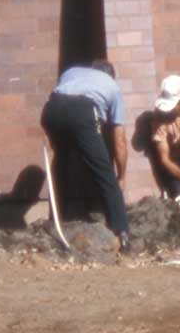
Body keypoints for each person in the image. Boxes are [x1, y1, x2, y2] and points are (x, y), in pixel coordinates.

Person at [40, 60, 130, 251]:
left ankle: (57, 220)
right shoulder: (112, 87)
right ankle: (121, 233)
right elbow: (119, 139)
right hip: (82, 111)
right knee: (105, 174)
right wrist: (120, 176)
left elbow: (64, 101)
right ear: (111, 75)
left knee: (61, 163)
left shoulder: (72, 70)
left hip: (51, 111)